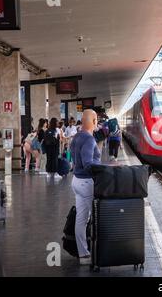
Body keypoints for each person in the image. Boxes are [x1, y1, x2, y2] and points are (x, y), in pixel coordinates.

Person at [70, 109, 101, 265]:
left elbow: (73, 157)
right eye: (97, 121)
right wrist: (104, 170)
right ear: (94, 121)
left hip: (76, 181)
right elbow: (88, 163)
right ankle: (101, 252)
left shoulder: (76, 136)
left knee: (81, 219)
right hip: (87, 183)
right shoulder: (89, 139)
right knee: (98, 217)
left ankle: (83, 254)